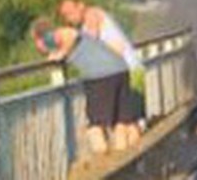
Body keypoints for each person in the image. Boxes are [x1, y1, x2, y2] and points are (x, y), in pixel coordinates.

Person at [31, 18, 140, 155]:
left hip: (100, 74)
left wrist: (61, 53)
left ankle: (102, 161)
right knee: (122, 121)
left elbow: (70, 35)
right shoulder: (74, 38)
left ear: (38, 38)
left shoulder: (51, 37)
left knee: (95, 126)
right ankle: (129, 158)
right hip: (120, 69)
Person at [58, 0, 146, 139]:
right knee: (129, 121)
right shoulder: (92, 17)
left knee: (128, 122)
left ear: (81, 5)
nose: (69, 19)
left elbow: (90, 43)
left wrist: (64, 52)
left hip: (128, 69)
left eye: (70, 13)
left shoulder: (92, 15)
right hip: (132, 68)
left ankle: (137, 155)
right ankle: (137, 154)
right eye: (65, 16)